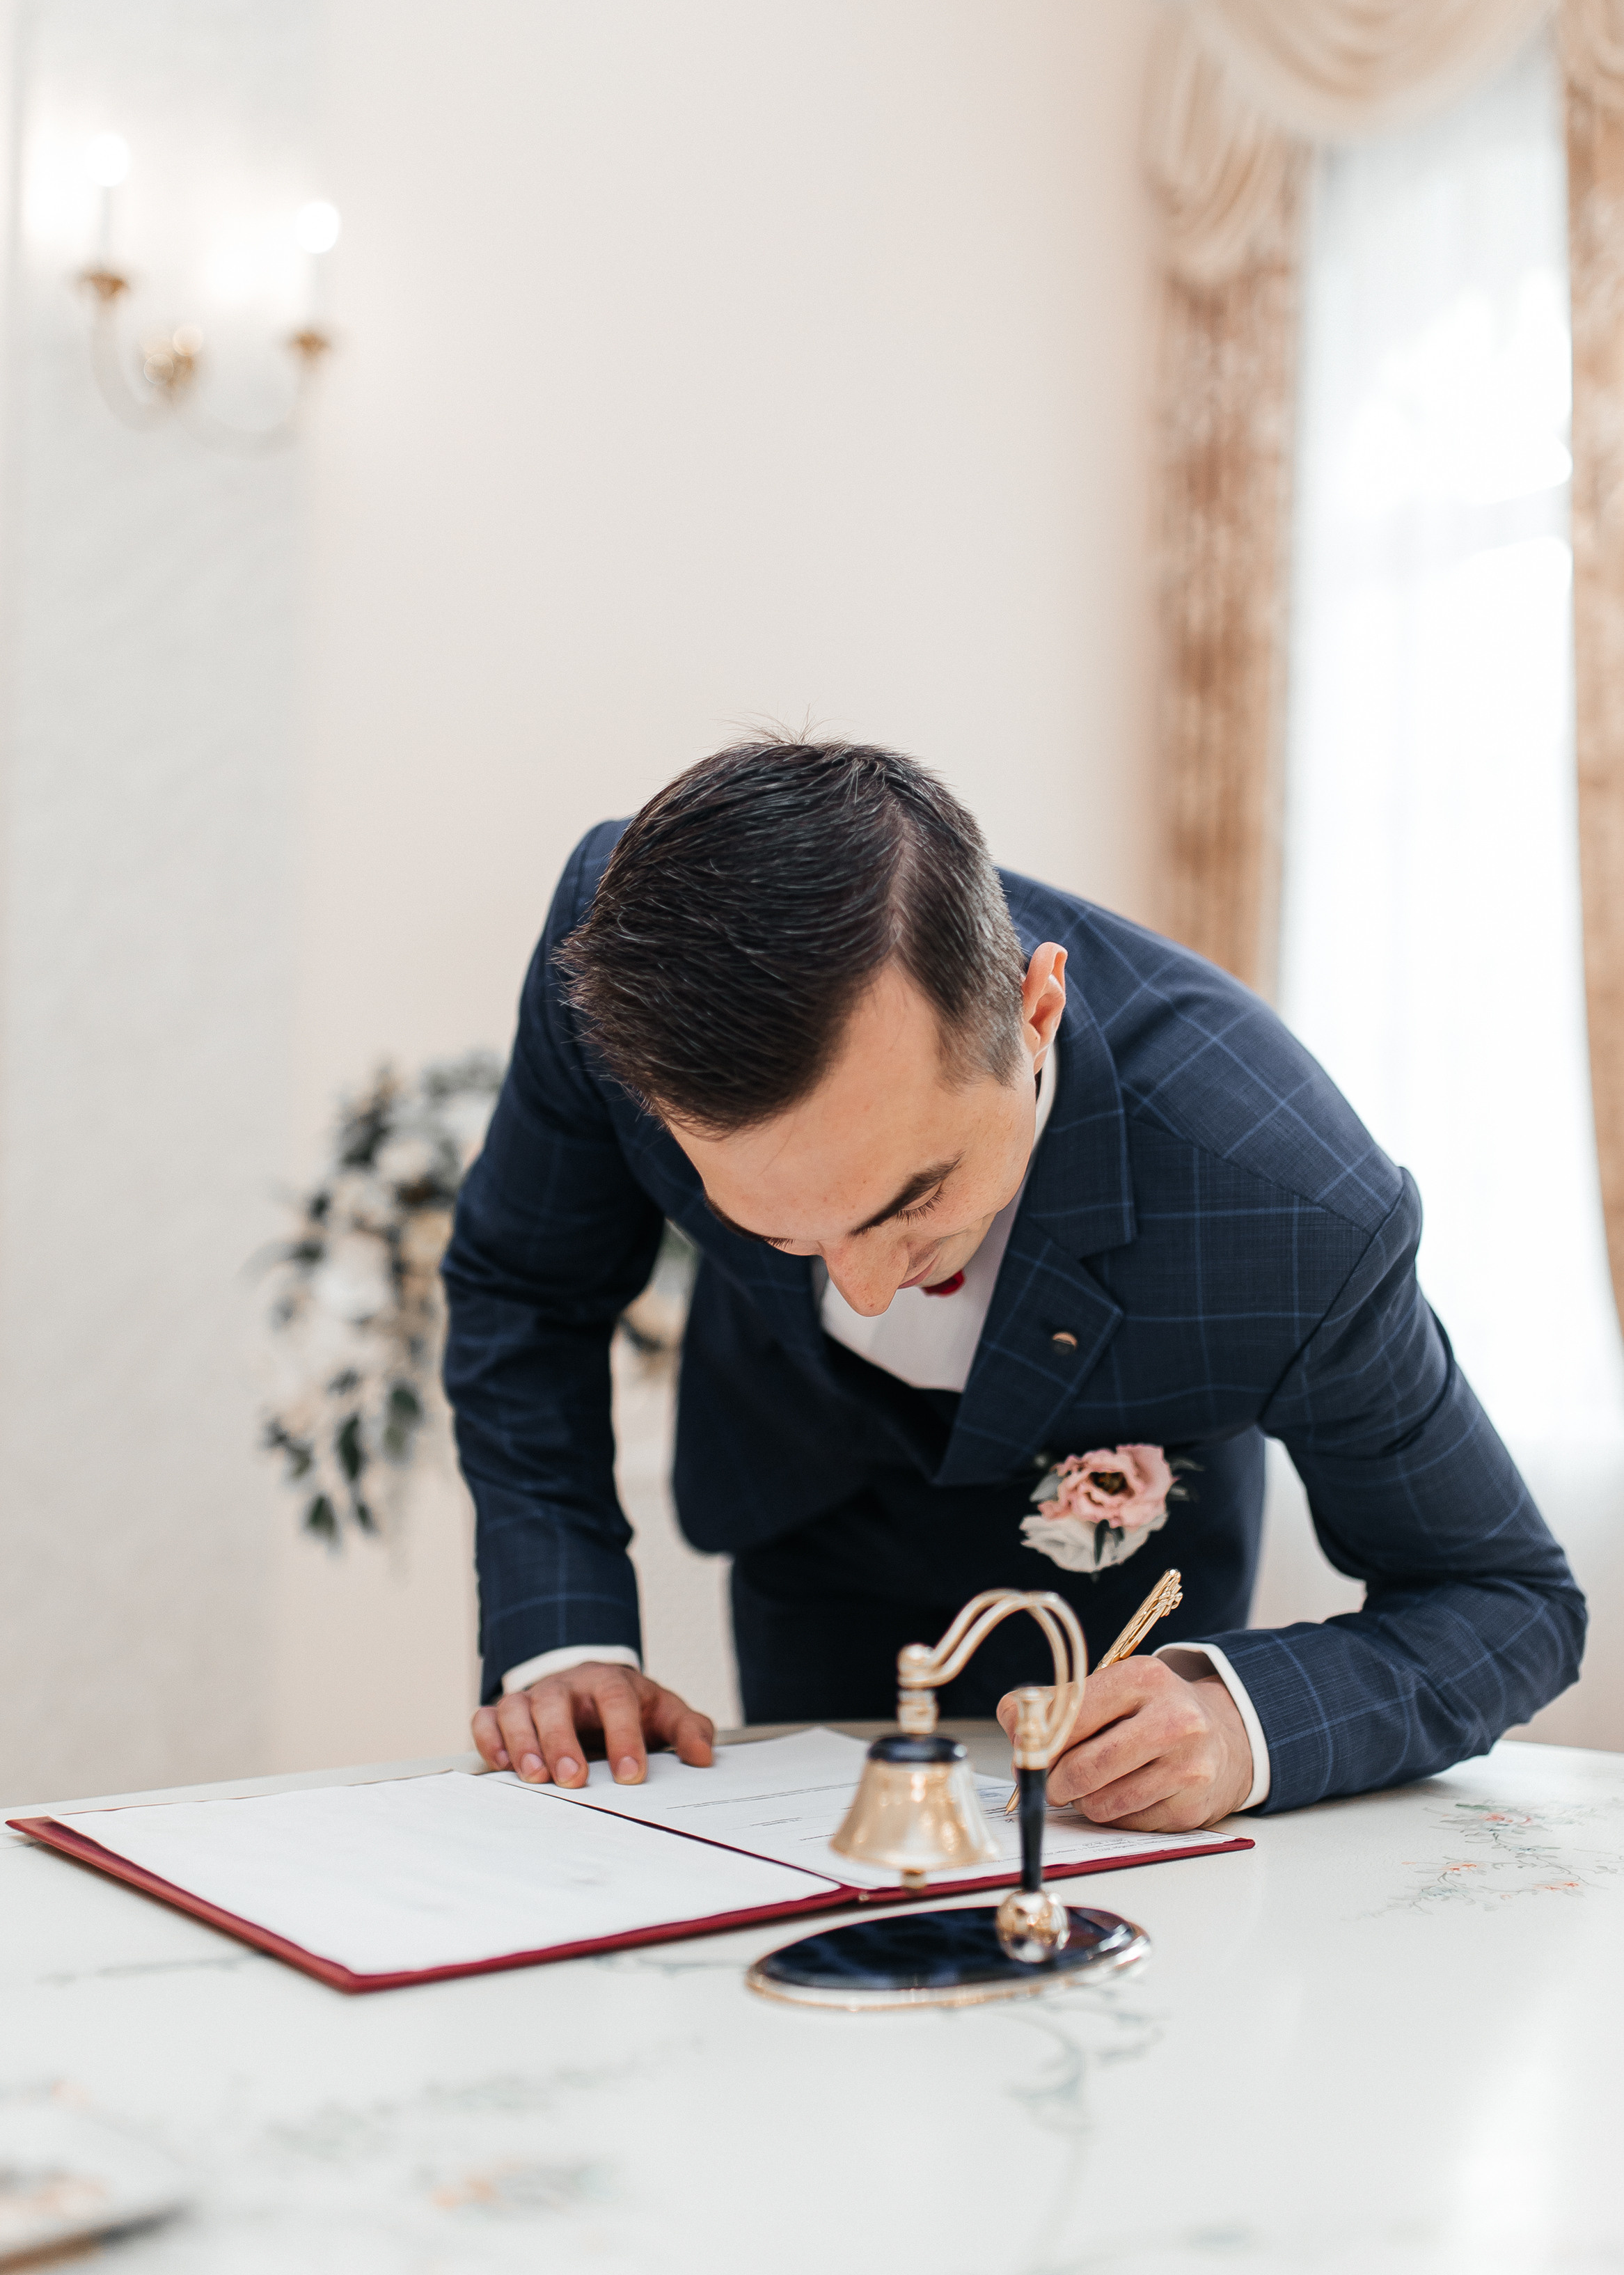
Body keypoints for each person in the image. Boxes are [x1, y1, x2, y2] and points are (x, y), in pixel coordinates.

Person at [441, 737, 1584, 1828]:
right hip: (808, 1516)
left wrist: (1245, 1723)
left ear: (1034, 1014)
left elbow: (1506, 1601)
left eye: (912, 1199)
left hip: (1122, 1610)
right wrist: (565, 1634)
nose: (870, 1293)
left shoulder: (1289, 1207)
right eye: (785, 1235)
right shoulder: (620, 962)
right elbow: (526, 1285)